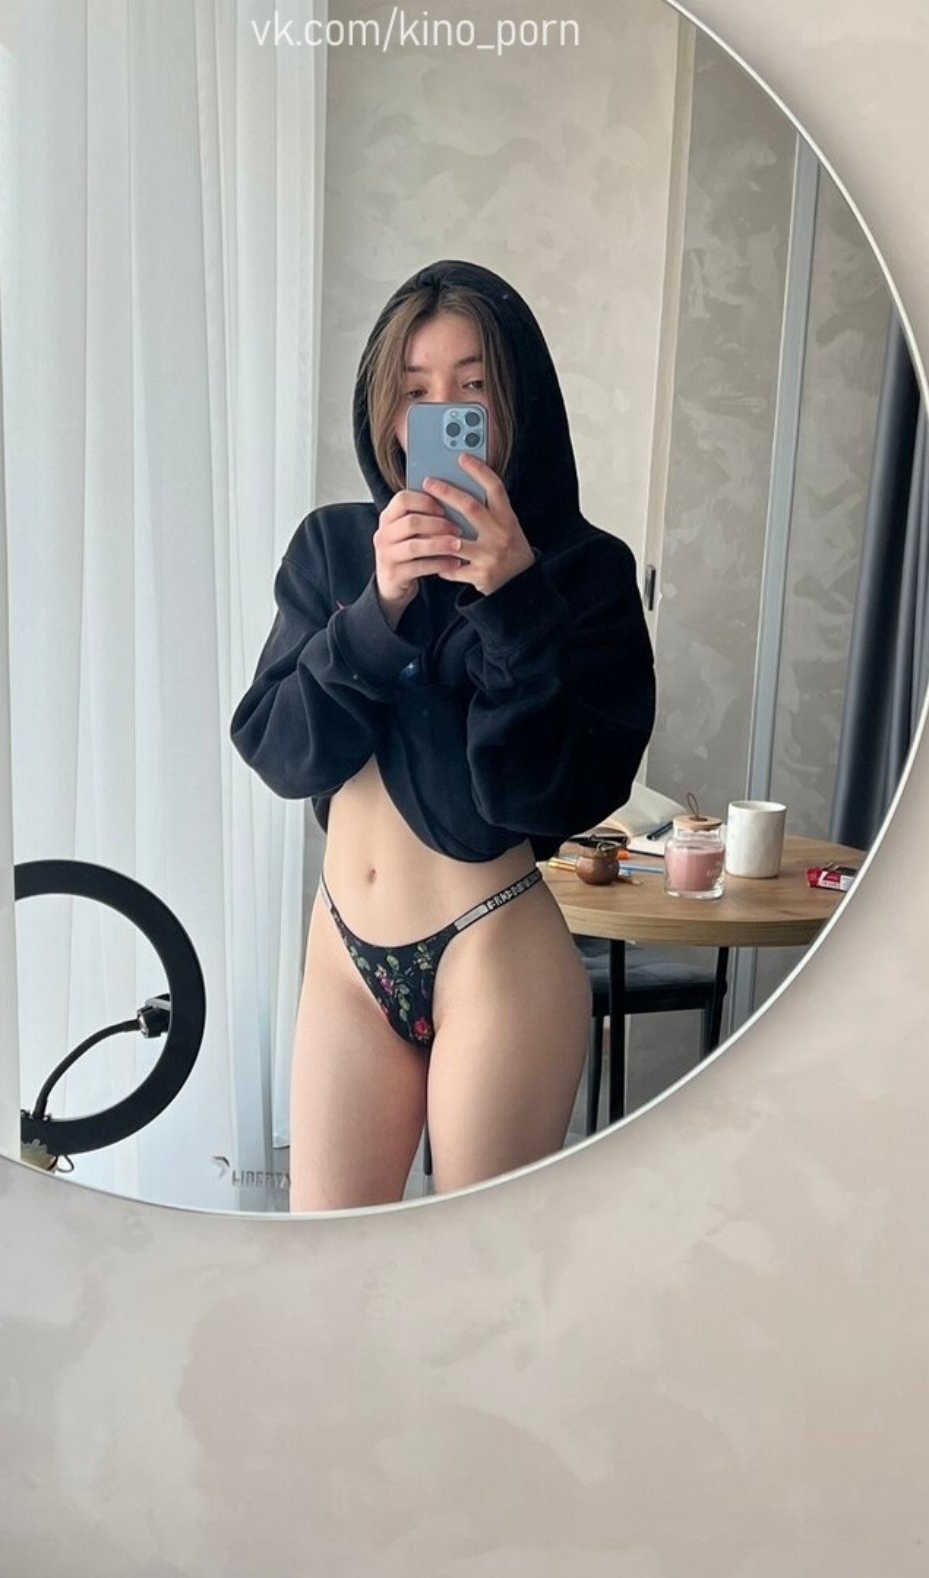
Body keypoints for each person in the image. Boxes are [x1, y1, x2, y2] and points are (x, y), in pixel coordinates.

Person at [231, 259, 655, 1210]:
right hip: (343, 958)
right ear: (387, 415)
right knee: (330, 1263)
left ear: (515, 404)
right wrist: (377, 609)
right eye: (417, 392)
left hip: (493, 952)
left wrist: (515, 602)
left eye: (472, 388)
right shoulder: (334, 548)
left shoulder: (584, 570)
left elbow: (550, 797)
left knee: (476, 1267)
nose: (443, 412)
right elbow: (280, 750)